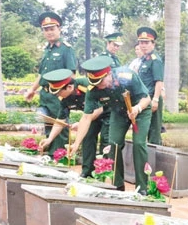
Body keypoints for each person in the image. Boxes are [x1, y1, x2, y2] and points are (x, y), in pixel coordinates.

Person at [69, 56, 152, 193]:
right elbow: (86, 118)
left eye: (101, 82)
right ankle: (118, 184)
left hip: (140, 110)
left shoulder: (127, 76)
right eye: (95, 84)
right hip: (118, 113)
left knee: (138, 144)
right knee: (113, 144)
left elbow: (146, 98)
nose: (99, 87)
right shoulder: (93, 90)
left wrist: (137, 109)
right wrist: (76, 143)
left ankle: (142, 187)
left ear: (108, 74)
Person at [38, 69, 110, 178]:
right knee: (87, 137)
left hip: (110, 111)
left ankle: (105, 173)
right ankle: (87, 172)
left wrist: (81, 124)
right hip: (89, 117)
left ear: (70, 87)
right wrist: (49, 139)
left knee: (106, 139)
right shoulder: (64, 98)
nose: (57, 95)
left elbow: (99, 109)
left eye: (59, 92)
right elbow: (60, 120)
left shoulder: (87, 86)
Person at [24, 11, 77, 156]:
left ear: (59, 29)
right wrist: (32, 90)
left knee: (60, 127)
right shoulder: (47, 50)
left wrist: (65, 94)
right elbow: (41, 74)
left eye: (52, 29)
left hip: (58, 95)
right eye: (46, 30)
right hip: (45, 95)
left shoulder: (66, 49)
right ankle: (50, 157)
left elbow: (72, 74)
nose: (49, 32)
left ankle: (59, 159)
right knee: (48, 126)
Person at [136, 27, 164, 145]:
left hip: (152, 97)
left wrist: (156, 100)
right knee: (144, 129)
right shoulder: (144, 59)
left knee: (154, 131)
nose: (143, 45)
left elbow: (159, 81)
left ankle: (156, 159)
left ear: (153, 44)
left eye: (146, 42)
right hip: (144, 99)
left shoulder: (155, 60)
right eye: (141, 42)